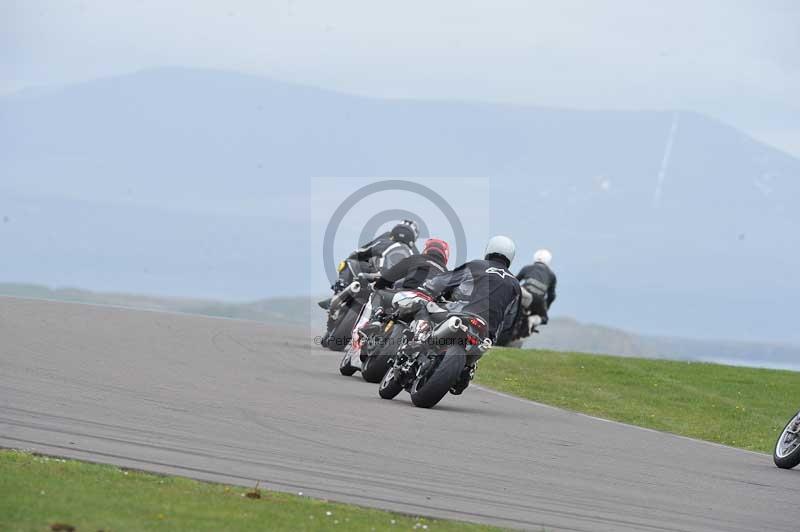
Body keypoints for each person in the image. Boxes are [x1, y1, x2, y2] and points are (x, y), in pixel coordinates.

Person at [419, 235, 521, 393]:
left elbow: (446, 280)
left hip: (461, 314)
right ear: (511, 257)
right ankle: (468, 368)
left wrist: (428, 287)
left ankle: (420, 342)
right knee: (473, 358)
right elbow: (511, 317)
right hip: (487, 331)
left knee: (427, 313)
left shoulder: (477, 265)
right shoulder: (515, 284)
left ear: (489, 250)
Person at [318, 222, 417, 310]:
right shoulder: (413, 255)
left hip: (378, 278)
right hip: (396, 290)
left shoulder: (385, 243)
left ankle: (339, 290)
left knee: (349, 263)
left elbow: (356, 254)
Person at [516, 249, 557, 328]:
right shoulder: (552, 275)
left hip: (524, 293)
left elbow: (515, 281)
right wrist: (545, 308)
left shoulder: (527, 268)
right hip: (538, 300)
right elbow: (551, 296)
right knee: (545, 319)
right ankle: (533, 320)